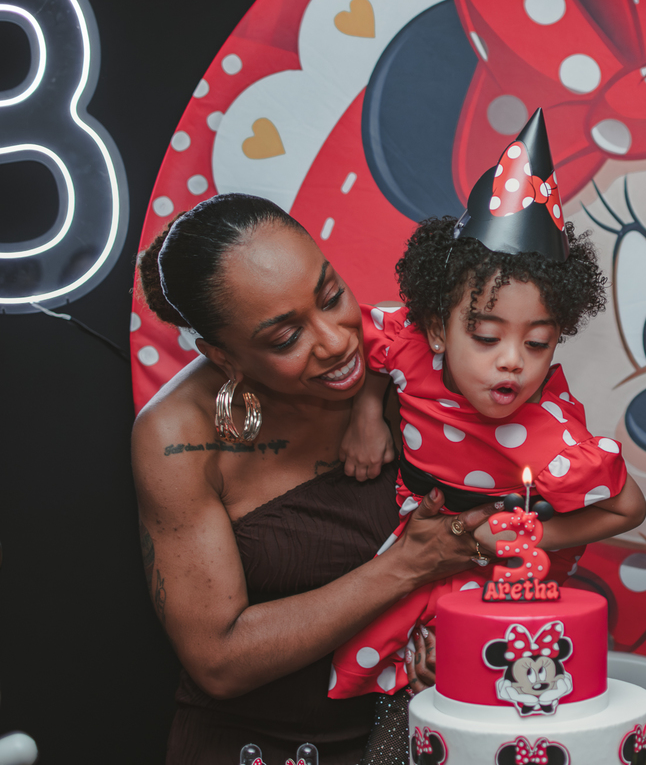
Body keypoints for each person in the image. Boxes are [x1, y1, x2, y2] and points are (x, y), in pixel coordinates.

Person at [133, 193, 493, 765]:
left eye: (331, 296)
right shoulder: (178, 437)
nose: (335, 341)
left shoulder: (400, 359)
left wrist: (445, 648)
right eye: (285, 338)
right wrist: (405, 567)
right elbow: (217, 661)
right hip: (252, 748)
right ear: (223, 356)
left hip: (399, 740)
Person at [329, 110, 646, 702]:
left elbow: (628, 509)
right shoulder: (410, 347)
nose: (512, 362)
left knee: (475, 699)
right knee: (380, 687)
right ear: (438, 328)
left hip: (495, 582)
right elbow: (377, 352)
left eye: (536, 343)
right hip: (407, 543)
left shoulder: (549, 437)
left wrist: (521, 541)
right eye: (487, 336)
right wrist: (366, 415)